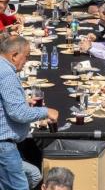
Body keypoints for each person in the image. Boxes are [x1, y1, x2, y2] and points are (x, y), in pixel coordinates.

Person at [0, 36, 58, 189]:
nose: (26, 61)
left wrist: (23, 102)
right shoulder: (6, 74)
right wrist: (46, 111)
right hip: (4, 145)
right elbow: (18, 113)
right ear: (14, 55)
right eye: (26, 56)